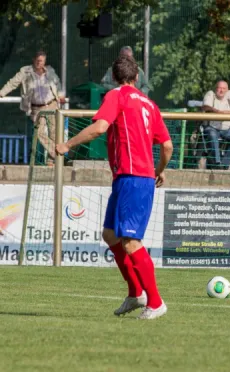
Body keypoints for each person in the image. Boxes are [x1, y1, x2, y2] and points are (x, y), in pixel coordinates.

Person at [56, 55, 173, 320]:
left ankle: (155, 302)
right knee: (110, 235)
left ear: (113, 77)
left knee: (131, 242)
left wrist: (67, 145)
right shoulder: (150, 105)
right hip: (130, 178)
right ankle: (135, 293)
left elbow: (99, 127)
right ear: (137, 77)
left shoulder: (116, 95)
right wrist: (160, 171)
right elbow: (167, 146)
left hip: (133, 178)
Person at [0, 50, 65, 165]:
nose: (40, 63)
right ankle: (56, 152)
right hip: (36, 108)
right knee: (38, 133)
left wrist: (61, 95)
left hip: (51, 104)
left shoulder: (50, 71)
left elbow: (57, 83)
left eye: (43, 61)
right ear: (34, 60)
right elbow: (12, 83)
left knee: (54, 132)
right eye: (39, 61)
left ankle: (52, 160)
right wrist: (1, 93)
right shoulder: (25, 71)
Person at [202, 80, 230, 169]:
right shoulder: (211, 94)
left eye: (224, 88)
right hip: (211, 127)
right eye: (219, 88)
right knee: (213, 135)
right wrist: (218, 112)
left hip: (226, 129)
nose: (221, 90)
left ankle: (224, 165)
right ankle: (217, 163)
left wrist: (228, 112)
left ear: (227, 90)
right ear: (215, 89)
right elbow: (205, 107)